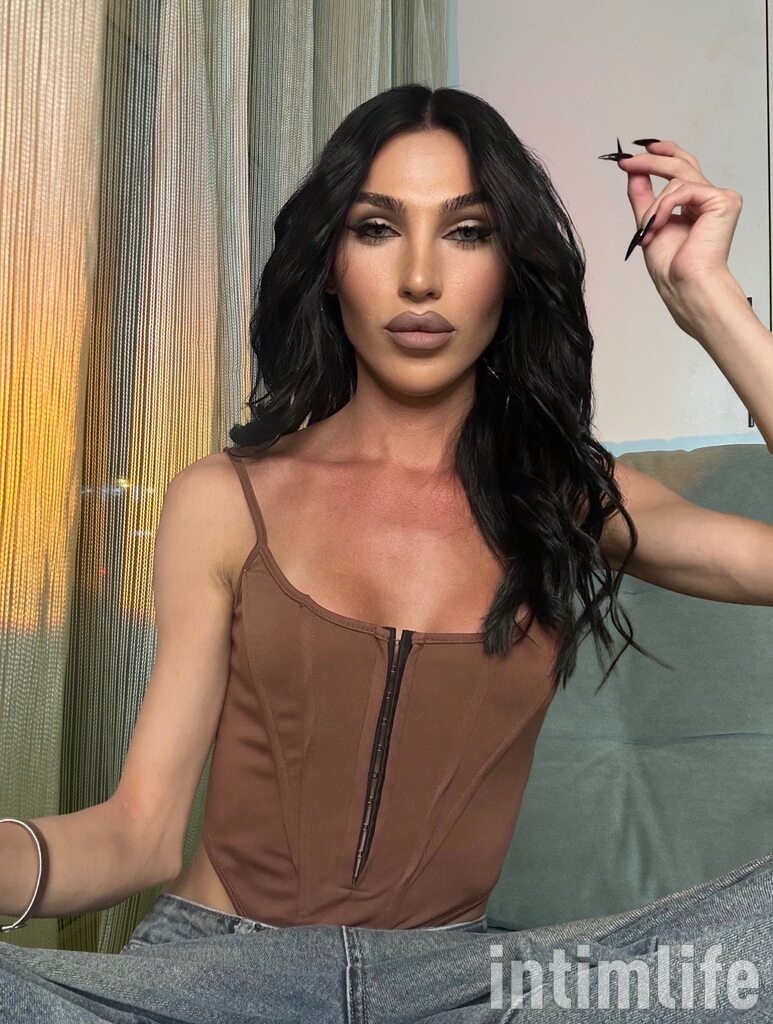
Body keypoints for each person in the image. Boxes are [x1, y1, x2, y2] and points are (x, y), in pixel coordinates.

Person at [2, 83, 773, 1022]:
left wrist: (707, 301)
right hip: (211, 980)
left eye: (466, 232)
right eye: (376, 229)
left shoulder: (564, 494)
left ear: (509, 267)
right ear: (330, 263)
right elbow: (140, 836)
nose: (419, 277)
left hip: (465, 992)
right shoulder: (225, 499)